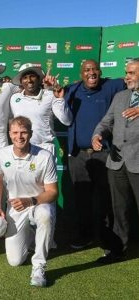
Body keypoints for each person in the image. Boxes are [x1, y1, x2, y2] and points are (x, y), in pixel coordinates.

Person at [0, 116, 58, 287]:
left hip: (38, 203)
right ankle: (33, 235)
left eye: (23, 132)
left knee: (45, 215)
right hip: (15, 208)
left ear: (31, 134)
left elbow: (53, 192)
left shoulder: (44, 156)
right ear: (9, 134)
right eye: (15, 132)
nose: (19, 137)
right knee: (15, 261)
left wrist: (30, 200)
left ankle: (39, 266)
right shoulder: (0, 155)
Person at [65, 59, 125, 249]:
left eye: (95, 69)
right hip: (78, 156)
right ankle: (85, 236)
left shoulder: (111, 85)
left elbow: (132, 80)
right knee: (81, 198)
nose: (91, 73)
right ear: (81, 74)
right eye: (87, 70)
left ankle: (108, 239)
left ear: (100, 72)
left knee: (107, 198)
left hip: (104, 153)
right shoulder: (71, 90)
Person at [91, 58, 139, 263]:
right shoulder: (120, 96)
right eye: (127, 72)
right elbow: (106, 122)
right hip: (117, 162)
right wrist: (97, 135)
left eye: (131, 73)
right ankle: (118, 249)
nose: (126, 77)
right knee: (119, 209)